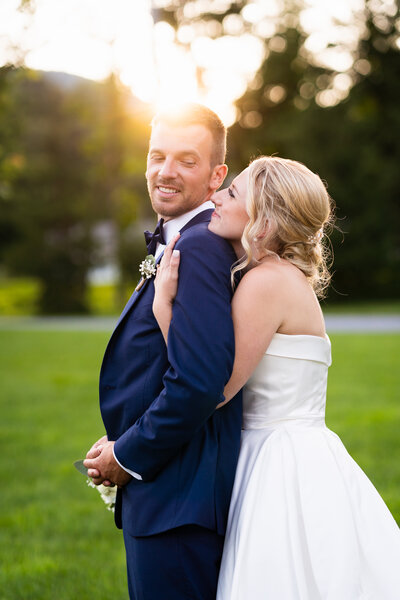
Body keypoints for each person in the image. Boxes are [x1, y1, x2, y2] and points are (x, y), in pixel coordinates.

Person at [154, 155, 400, 599]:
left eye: (231, 194)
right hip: (301, 448)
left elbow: (214, 388)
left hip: (278, 460)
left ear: (262, 223)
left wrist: (163, 309)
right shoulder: (280, 276)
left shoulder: (266, 282)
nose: (216, 196)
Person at [83, 104, 242, 600]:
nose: (165, 171)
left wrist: (126, 456)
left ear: (217, 175)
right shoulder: (178, 240)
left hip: (179, 498)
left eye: (186, 161)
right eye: (157, 156)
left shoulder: (197, 247)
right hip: (170, 488)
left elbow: (198, 381)